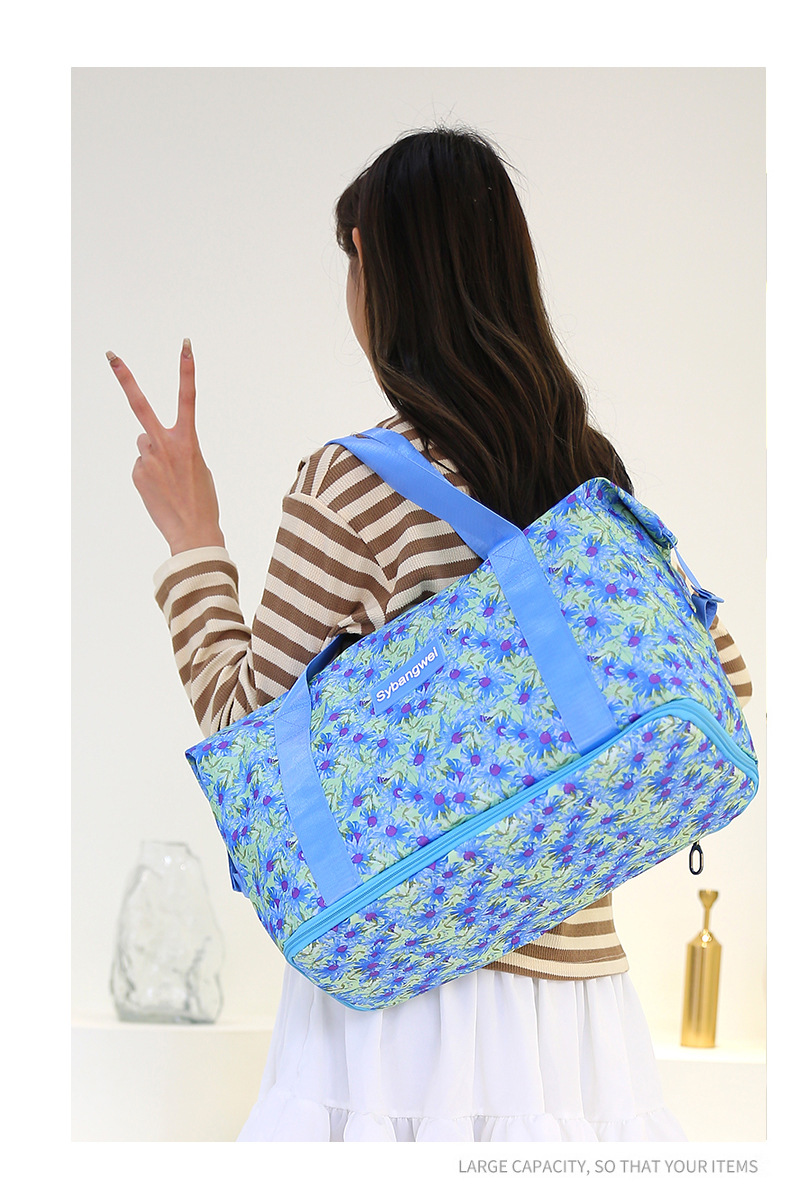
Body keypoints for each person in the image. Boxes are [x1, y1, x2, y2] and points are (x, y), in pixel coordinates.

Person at [107, 126, 752, 1142]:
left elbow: (248, 737)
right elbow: (724, 685)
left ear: (370, 259)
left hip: (406, 1016)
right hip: (583, 1022)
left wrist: (194, 537)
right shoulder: (591, 473)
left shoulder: (351, 483)